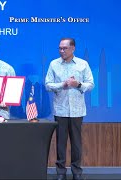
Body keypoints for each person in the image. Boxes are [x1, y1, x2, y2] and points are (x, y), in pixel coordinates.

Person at [45, 38, 94, 180]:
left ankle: (77, 172)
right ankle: (60, 172)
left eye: (64, 48)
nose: (61, 51)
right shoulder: (54, 64)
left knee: (76, 143)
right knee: (60, 142)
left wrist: (77, 84)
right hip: (60, 109)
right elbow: (48, 84)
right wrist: (63, 84)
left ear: (73, 49)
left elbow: (90, 84)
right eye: (60, 48)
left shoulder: (82, 64)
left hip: (77, 110)